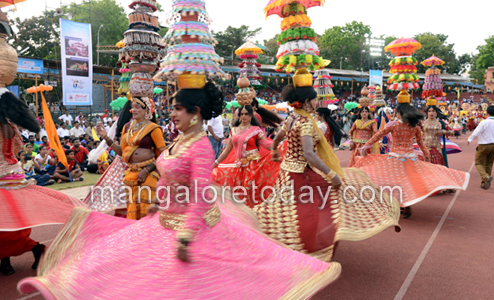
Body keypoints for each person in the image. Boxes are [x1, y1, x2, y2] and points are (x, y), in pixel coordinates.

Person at [18, 77, 341, 299]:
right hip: (163, 222)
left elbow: (201, 193)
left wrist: (186, 235)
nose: (170, 112)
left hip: (194, 231)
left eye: (176, 108)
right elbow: (174, 178)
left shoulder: (199, 145)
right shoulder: (179, 139)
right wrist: (161, 202)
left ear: (195, 113)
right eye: (170, 107)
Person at [254, 69, 400, 261]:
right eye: (314, 100)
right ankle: (311, 245)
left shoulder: (292, 118)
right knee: (319, 205)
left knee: (288, 208)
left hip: (286, 171)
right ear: (306, 102)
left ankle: (287, 241)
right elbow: (308, 154)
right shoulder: (305, 123)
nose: (317, 103)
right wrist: (331, 174)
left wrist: (274, 150)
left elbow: (279, 136)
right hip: (300, 174)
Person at [0, 29, 83, 275]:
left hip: (7, 179)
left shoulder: (7, 123)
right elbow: (16, 146)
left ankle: (32, 249)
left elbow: (14, 145)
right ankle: (7, 258)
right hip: (11, 172)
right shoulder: (11, 122)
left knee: (8, 225)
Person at [355, 91, 470, 217]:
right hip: (410, 158)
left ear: (399, 113)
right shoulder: (414, 127)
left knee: (394, 182)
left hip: (395, 158)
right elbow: (421, 143)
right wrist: (426, 155)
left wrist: (367, 146)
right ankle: (407, 205)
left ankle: (399, 206)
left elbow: (378, 135)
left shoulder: (394, 125)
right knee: (408, 182)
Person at [96, 95, 166, 220]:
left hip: (149, 173)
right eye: (132, 107)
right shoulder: (127, 127)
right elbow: (123, 153)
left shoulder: (153, 129)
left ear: (147, 111)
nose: (133, 110)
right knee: (133, 209)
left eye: (138, 107)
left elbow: (163, 153)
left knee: (147, 208)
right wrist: (106, 137)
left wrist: (148, 169)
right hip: (131, 173)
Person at [423, 98, 455, 166]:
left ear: (436, 112)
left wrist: (442, 131)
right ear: (427, 113)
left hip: (436, 150)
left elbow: (452, 132)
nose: (431, 113)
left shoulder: (441, 123)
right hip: (424, 150)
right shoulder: (422, 123)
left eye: (433, 111)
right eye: (429, 111)